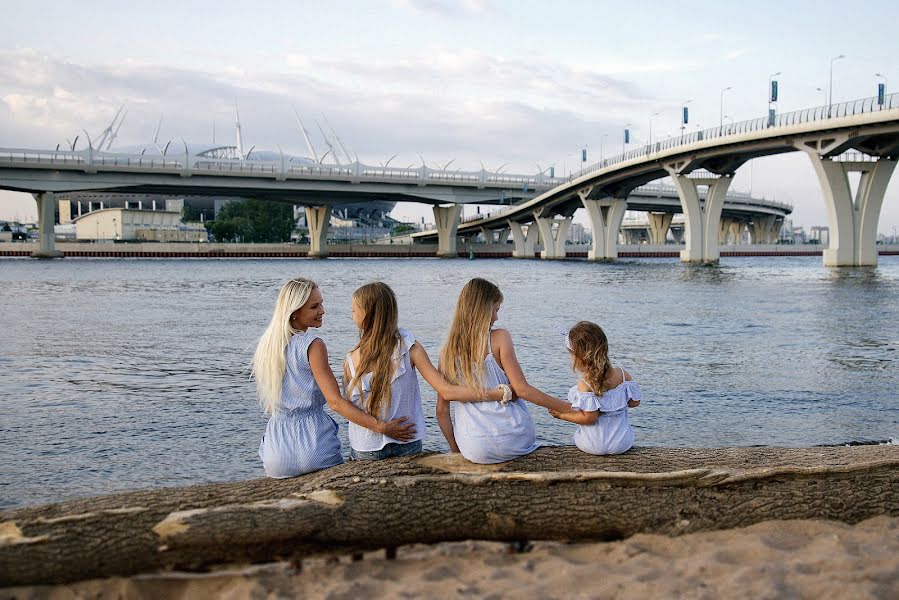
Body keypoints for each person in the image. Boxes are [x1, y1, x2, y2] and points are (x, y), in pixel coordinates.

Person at [252, 278, 416, 478]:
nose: (322, 310)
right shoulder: (312, 345)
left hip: (276, 450)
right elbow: (335, 403)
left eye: (321, 303)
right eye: (314, 306)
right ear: (295, 312)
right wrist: (381, 427)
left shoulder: (266, 345)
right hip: (314, 445)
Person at [344, 282, 508, 460]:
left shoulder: (353, 358)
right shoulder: (409, 348)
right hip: (404, 442)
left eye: (354, 311)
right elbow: (445, 390)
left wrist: (380, 427)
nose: (352, 316)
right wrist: (500, 393)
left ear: (367, 315)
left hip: (369, 445)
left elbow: (345, 406)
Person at [436, 278, 569, 464]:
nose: (496, 318)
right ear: (482, 309)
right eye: (495, 310)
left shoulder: (447, 353)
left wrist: (456, 449)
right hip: (514, 438)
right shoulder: (500, 338)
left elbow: (442, 411)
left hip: (475, 447)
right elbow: (522, 390)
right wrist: (568, 407)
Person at [548, 321, 642, 455]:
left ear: (580, 358)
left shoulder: (585, 384)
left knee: (578, 436)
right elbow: (635, 403)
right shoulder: (623, 374)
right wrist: (616, 402)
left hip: (593, 445)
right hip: (622, 443)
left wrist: (562, 415)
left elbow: (589, 419)